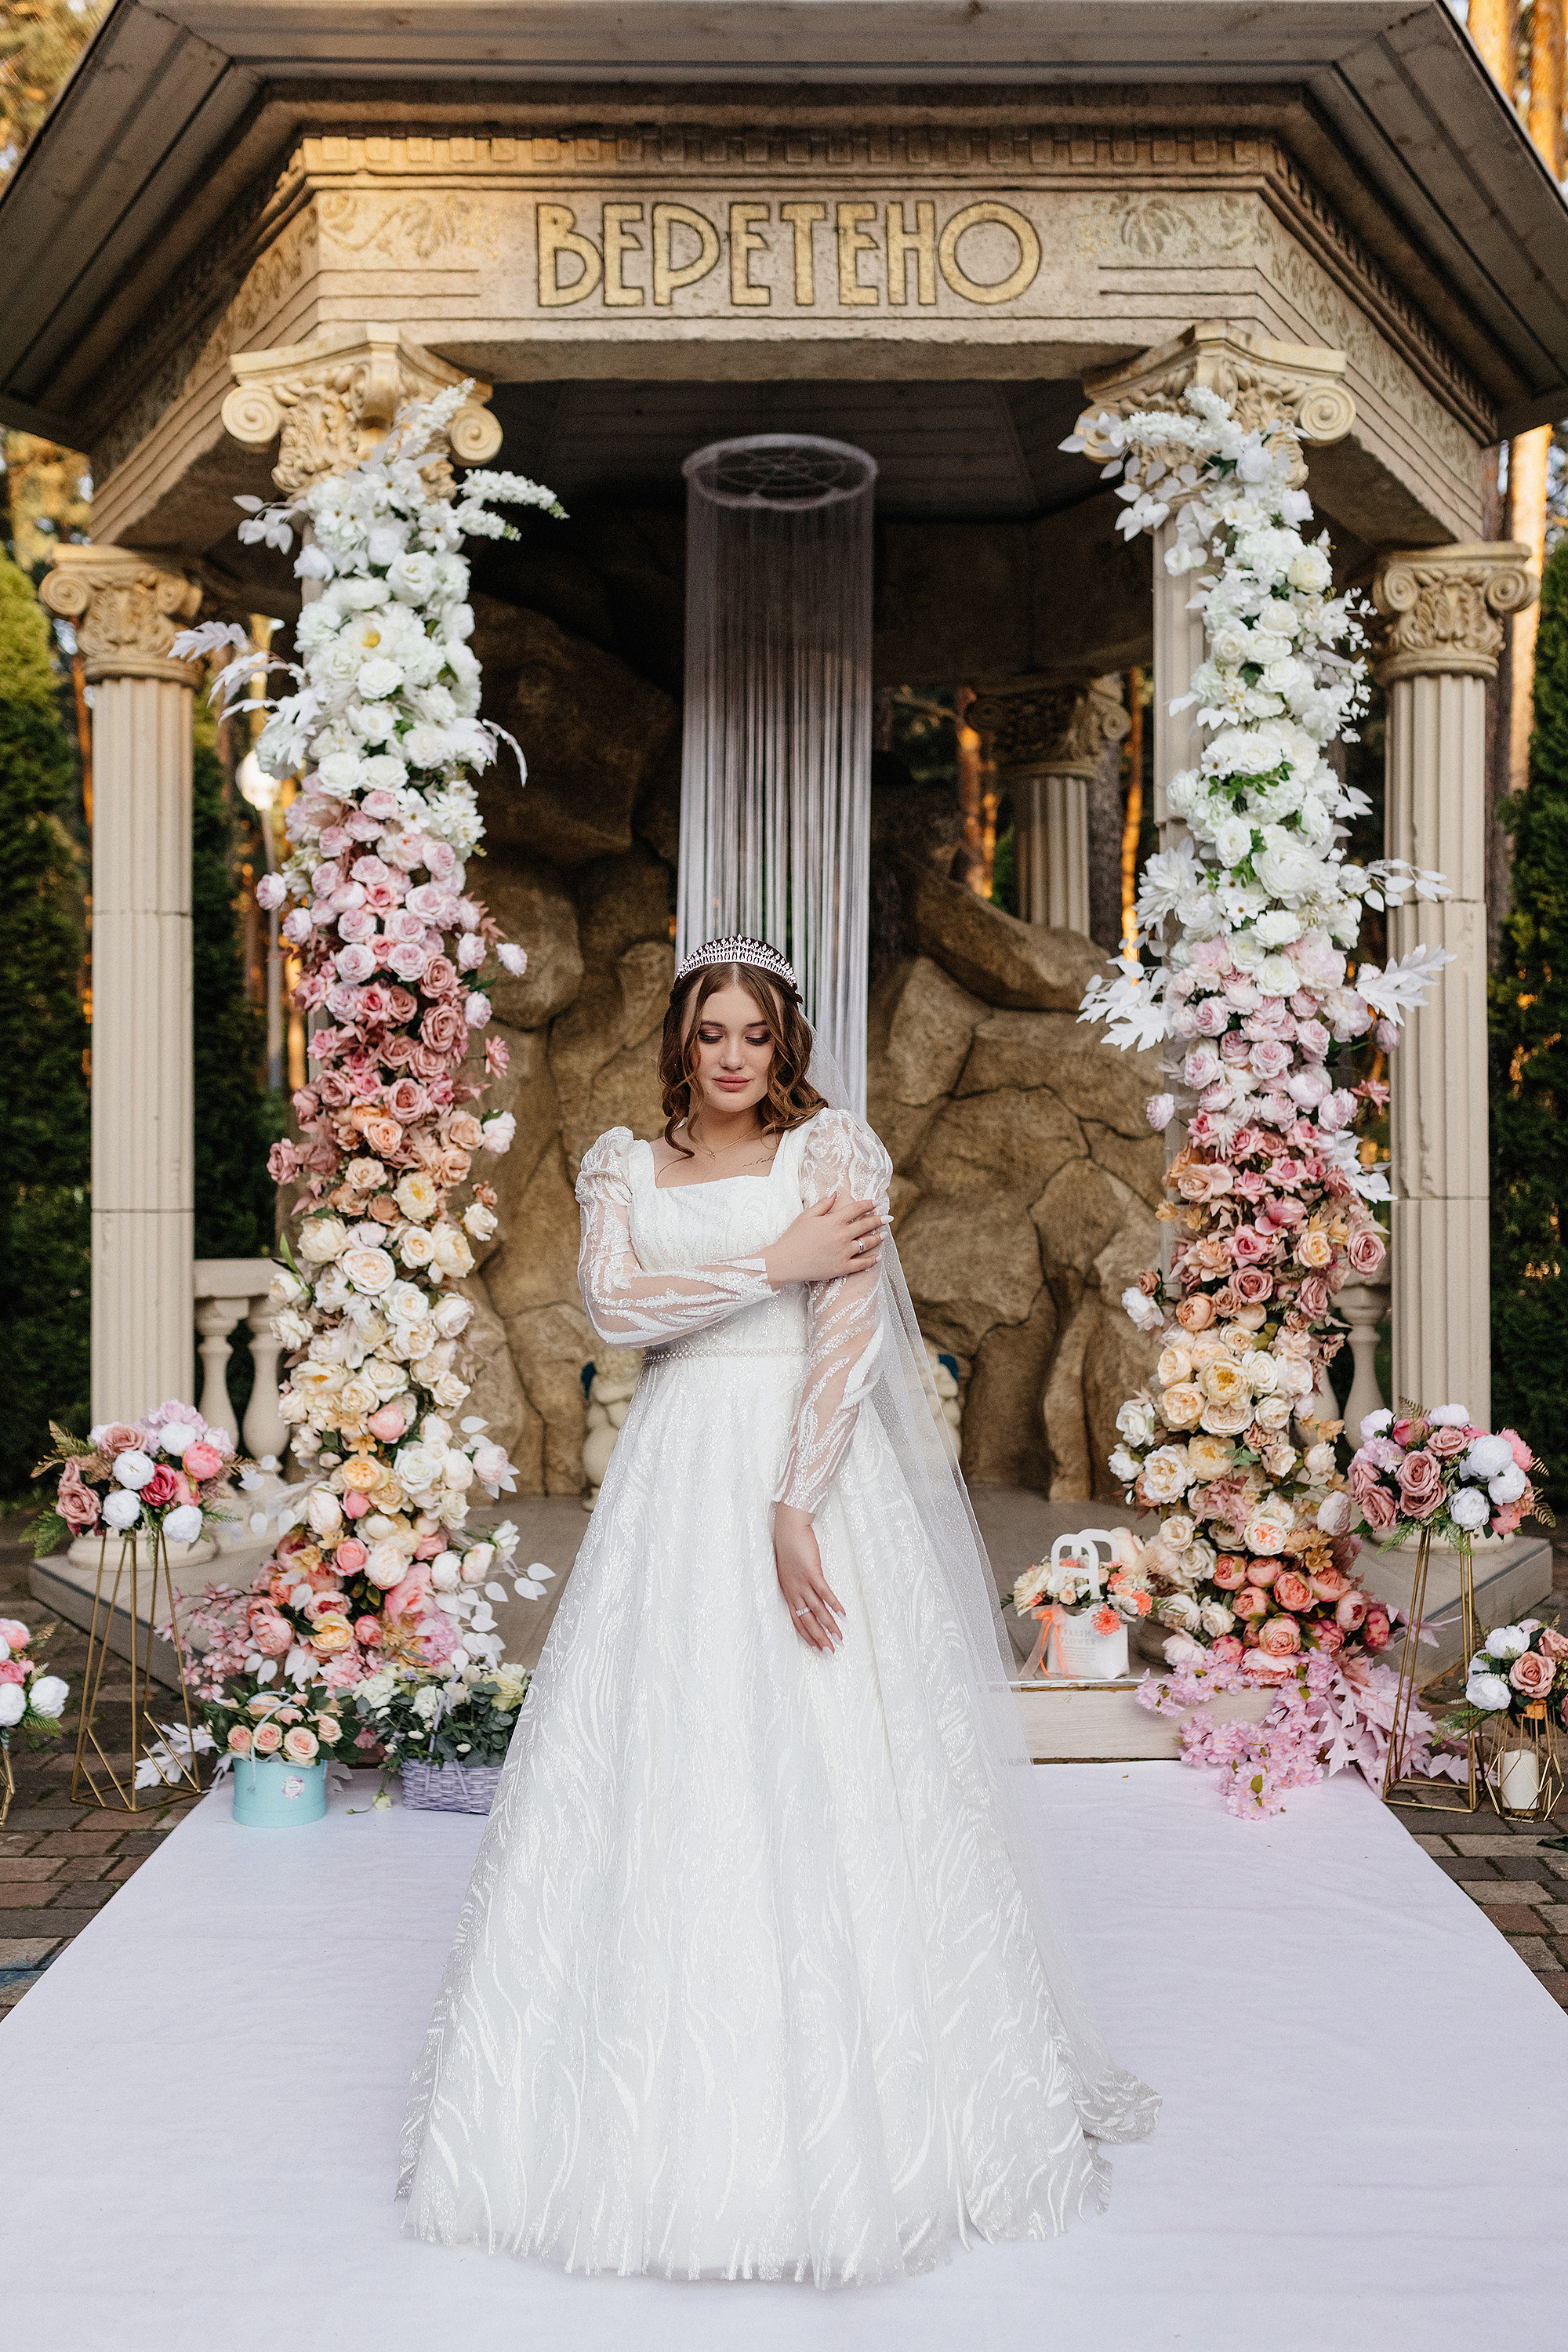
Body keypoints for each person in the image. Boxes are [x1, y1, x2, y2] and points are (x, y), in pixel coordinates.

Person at [399, 936, 1156, 2284]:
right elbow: (618, 1311)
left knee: (833, 1740)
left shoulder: (833, 1158)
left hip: (805, 1472)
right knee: (668, 1744)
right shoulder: (624, 1165)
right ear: (681, 1045)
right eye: (712, 1036)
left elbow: (850, 1328)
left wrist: (797, 1504)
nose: (734, 1057)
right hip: (679, 1467)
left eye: (756, 1035)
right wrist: (773, 1262)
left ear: (782, 1043)